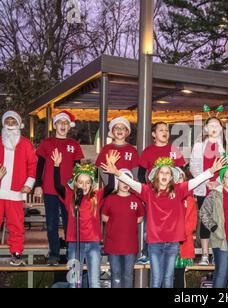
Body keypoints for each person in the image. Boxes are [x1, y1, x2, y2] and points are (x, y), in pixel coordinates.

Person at [101, 155, 227, 288]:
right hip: (155, 244)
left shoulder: (179, 190)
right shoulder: (148, 191)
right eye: (162, 172)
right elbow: (132, 183)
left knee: (168, 278)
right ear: (156, 175)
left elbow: (196, 181)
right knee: (156, 279)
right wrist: (116, 172)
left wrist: (212, 170)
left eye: (168, 173)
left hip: (172, 243)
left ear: (172, 177)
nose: (165, 175)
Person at [52, 149, 117, 288]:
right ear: (75, 183)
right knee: (74, 282)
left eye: (88, 182)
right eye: (81, 182)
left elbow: (111, 186)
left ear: (92, 184)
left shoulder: (96, 196)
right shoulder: (70, 197)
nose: (84, 185)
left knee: (94, 281)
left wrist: (111, 170)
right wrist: (56, 166)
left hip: (93, 243)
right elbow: (57, 186)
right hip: (74, 244)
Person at [34, 110, 84, 265]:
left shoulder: (74, 145)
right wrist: (38, 185)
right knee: (51, 224)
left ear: (69, 127)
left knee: (70, 223)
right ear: (54, 125)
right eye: (60, 123)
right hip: (50, 190)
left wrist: (78, 188)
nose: (63, 125)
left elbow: (78, 169)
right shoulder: (46, 143)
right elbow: (40, 166)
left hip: (69, 192)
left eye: (66, 123)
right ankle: (54, 254)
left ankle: (71, 254)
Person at [137, 122, 186, 265]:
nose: (165, 132)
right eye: (161, 130)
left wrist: (176, 191)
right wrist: (148, 191)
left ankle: (172, 250)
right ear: (153, 134)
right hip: (154, 194)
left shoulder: (174, 150)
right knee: (149, 224)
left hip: (171, 195)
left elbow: (181, 173)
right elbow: (141, 174)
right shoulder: (148, 151)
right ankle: (146, 252)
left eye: (167, 130)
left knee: (172, 223)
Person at [190, 108, 228, 266]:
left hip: (220, 188)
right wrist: (205, 180)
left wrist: (219, 182)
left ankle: (218, 253)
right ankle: (204, 254)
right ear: (206, 129)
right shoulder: (198, 146)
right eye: (211, 125)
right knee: (205, 221)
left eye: (217, 125)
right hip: (204, 187)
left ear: (221, 129)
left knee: (220, 221)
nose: (214, 127)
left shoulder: (227, 147)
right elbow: (194, 167)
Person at [0, 111, 37, 266]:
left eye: (12, 121)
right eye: (7, 121)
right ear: (3, 124)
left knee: (16, 223)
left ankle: (16, 252)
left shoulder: (26, 143)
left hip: (16, 191)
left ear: (18, 124)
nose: (9, 124)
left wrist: (29, 184)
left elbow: (32, 165)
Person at [102, 169, 145, 288]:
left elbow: (140, 218)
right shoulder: (110, 199)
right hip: (113, 245)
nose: (125, 184)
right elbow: (104, 217)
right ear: (117, 182)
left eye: (128, 181)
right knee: (115, 274)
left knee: (128, 275)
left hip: (130, 246)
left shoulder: (136, 200)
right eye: (122, 181)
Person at [96, 117, 139, 185]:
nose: (119, 130)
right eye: (116, 128)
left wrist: (132, 184)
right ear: (112, 132)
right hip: (111, 187)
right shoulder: (106, 148)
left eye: (123, 128)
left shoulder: (132, 150)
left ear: (127, 132)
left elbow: (135, 170)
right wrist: (110, 185)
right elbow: (101, 168)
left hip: (127, 186)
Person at [174, 168, 197, 288]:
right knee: (166, 275)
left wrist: (180, 233)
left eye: (180, 177)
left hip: (183, 243)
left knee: (179, 275)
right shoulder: (167, 198)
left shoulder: (190, 200)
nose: (178, 180)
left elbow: (192, 222)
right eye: (175, 177)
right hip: (168, 244)